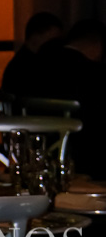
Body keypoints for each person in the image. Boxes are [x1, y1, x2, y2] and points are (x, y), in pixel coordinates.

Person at [31, 19, 106, 179]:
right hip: (82, 155)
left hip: (37, 145)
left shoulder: (37, 63)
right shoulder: (91, 73)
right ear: (97, 45)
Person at [1, 11, 63, 101]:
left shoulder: (22, 61)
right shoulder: (25, 67)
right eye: (52, 40)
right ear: (36, 36)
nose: (56, 45)